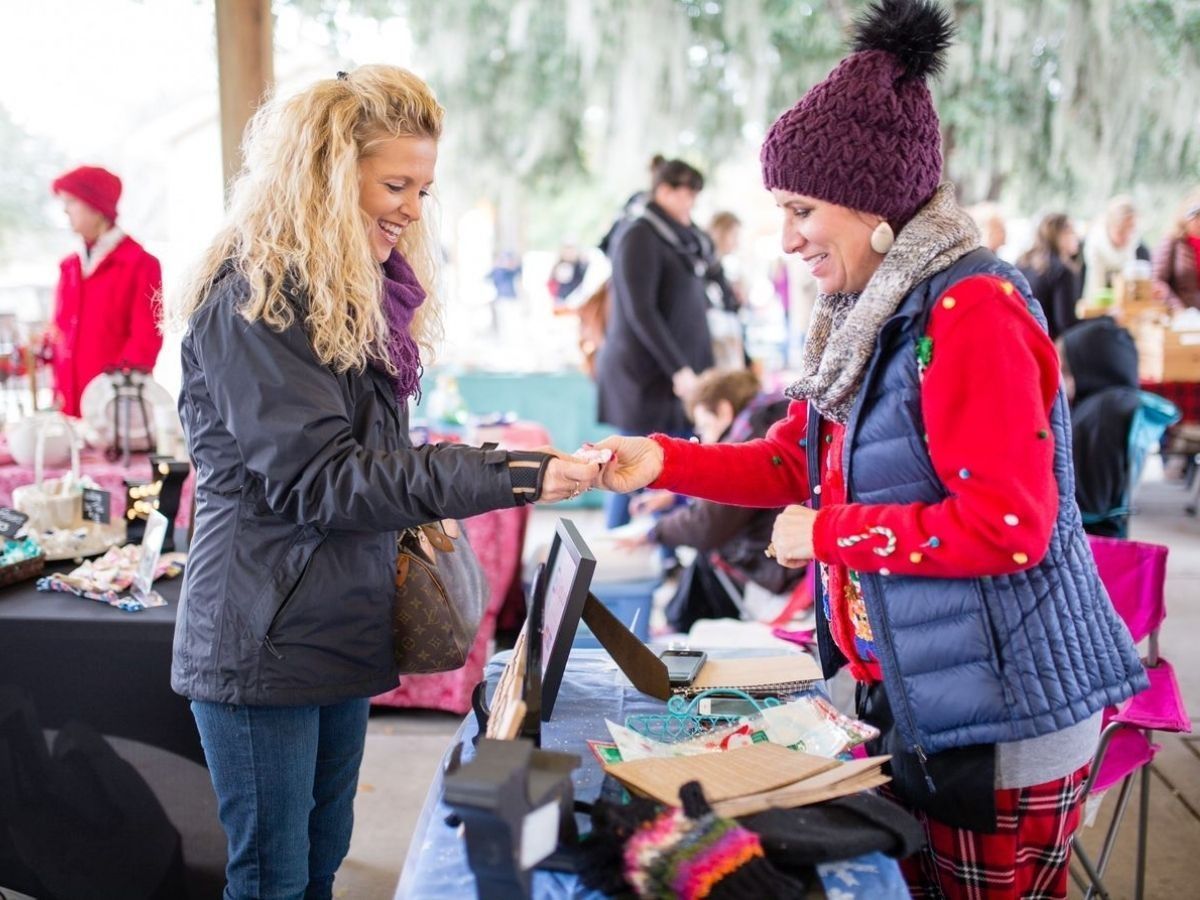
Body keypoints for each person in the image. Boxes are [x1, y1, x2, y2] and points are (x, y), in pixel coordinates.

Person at [592, 3, 1146, 897]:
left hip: (997, 724)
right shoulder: (872, 312)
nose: (787, 237)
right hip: (927, 701)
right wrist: (665, 460)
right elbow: (793, 463)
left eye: (801, 208)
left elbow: (1009, 528)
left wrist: (829, 535)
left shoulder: (971, 314)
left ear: (872, 204)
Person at [164, 65, 599, 899]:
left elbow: (370, 458)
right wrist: (508, 472)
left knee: (321, 856)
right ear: (324, 178)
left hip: (334, 625)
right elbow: (326, 480)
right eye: (394, 184)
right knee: (273, 878)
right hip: (263, 638)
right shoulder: (254, 302)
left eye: (423, 189)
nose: (410, 207)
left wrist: (502, 464)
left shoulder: (352, 296)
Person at [622, 368, 801, 632]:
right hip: (780, 558)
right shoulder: (765, 423)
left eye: (705, 426)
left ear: (724, 410)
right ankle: (675, 623)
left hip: (774, 569)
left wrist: (654, 532)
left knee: (708, 556)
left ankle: (675, 628)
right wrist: (674, 496)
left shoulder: (749, 439)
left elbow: (706, 524)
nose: (704, 439)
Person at [594, 157, 715, 528]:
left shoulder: (686, 238)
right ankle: (613, 557)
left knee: (675, 466)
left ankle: (659, 554)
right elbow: (640, 311)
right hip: (644, 379)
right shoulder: (638, 235)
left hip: (678, 378)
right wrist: (679, 369)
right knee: (630, 468)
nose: (690, 202)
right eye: (685, 193)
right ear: (663, 191)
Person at [48, 165, 163, 417]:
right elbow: (60, 332)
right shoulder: (69, 266)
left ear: (96, 206)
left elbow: (145, 341)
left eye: (71, 201)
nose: (65, 210)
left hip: (115, 414)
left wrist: (110, 398)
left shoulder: (140, 264)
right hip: (69, 409)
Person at [1057, 318, 1141, 537]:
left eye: (1065, 369)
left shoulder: (1099, 415)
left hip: (1080, 534)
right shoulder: (1118, 401)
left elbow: (1089, 502)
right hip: (1098, 529)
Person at [1016, 213, 1082, 339]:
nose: (1077, 237)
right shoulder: (1062, 271)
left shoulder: (1021, 262)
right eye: (1072, 232)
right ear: (1059, 236)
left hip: (1020, 341)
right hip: (1046, 345)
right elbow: (1065, 324)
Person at [1080, 194, 1151, 302]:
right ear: (1110, 226)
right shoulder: (1093, 246)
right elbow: (1093, 292)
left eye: (1131, 231)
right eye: (1121, 231)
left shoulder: (1139, 248)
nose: (1127, 237)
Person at [1151, 188, 1200, 310]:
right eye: (1195, 215)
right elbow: (1157, 281)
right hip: (1182, 316)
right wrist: (1178, 308)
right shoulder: (1173, 240)